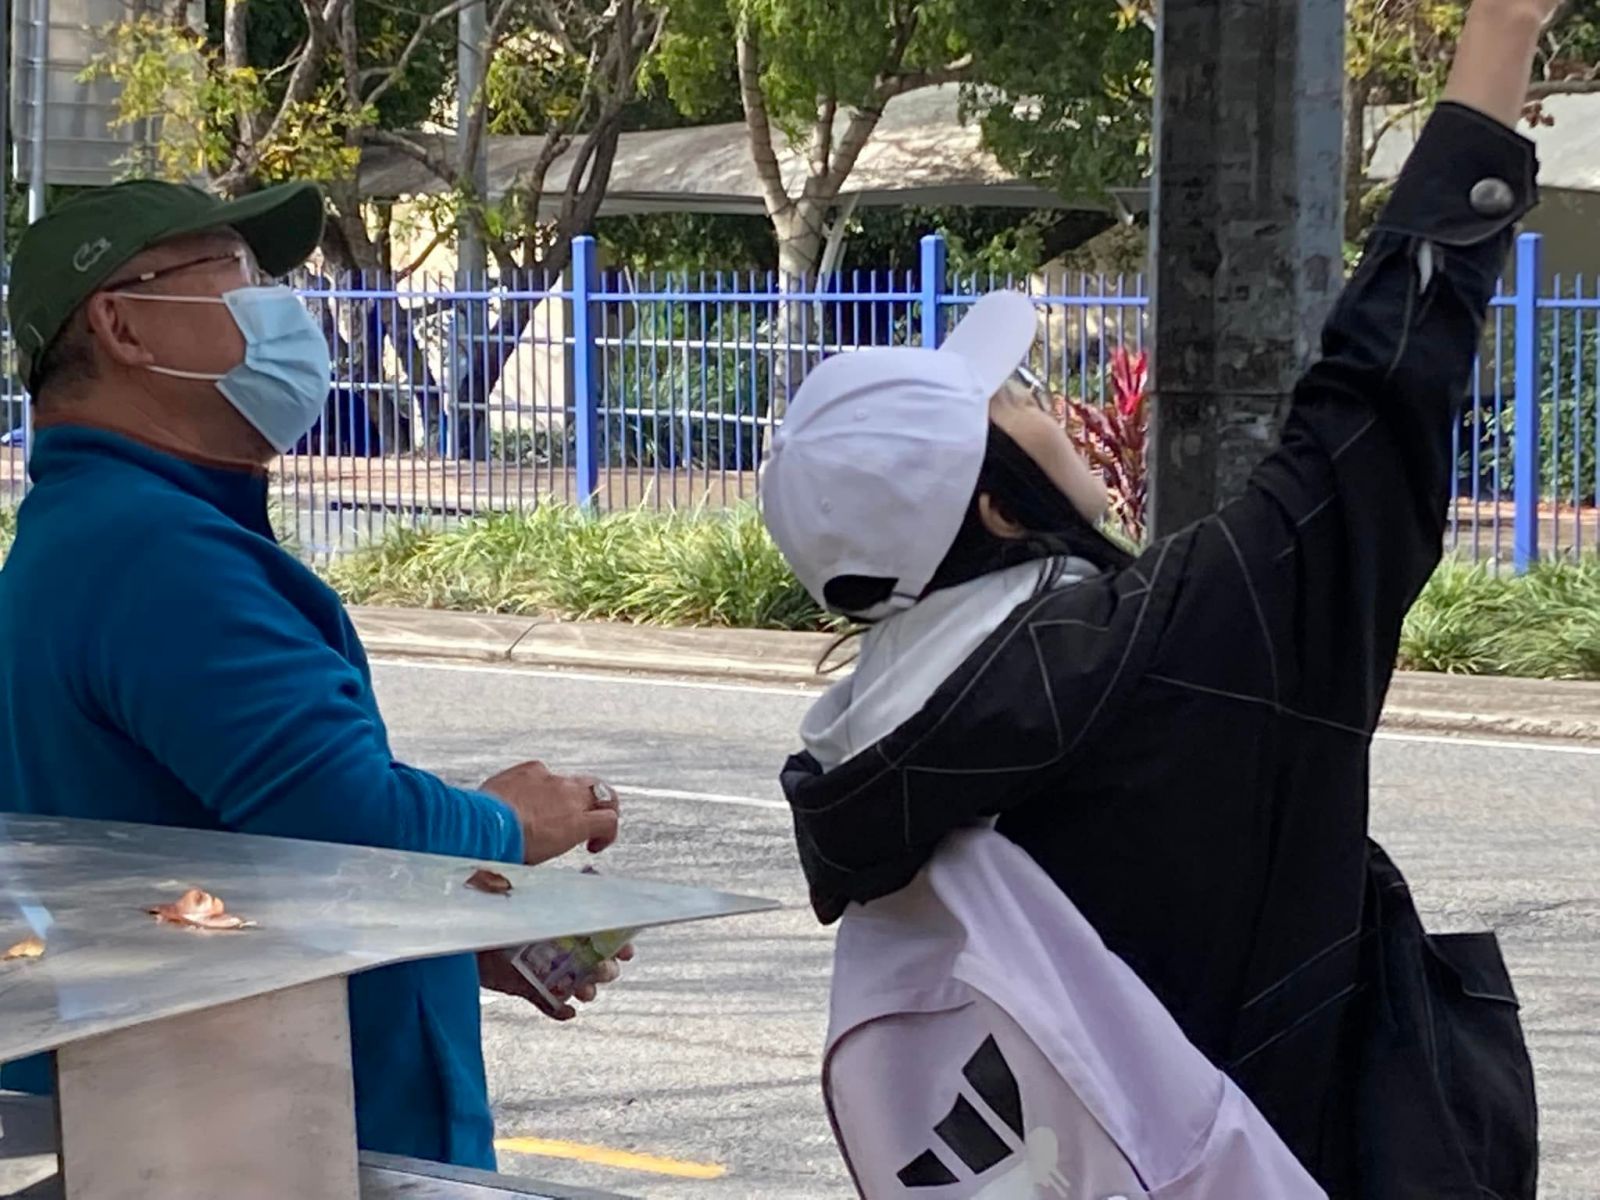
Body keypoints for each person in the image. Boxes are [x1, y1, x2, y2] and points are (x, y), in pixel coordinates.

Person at [761, 0, 1549, 1194]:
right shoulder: (1157, 659)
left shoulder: (877, 752)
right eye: (1016, 402)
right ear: (998, 508)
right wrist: (1497, 41)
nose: (1050, 408)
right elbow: (1368, 415)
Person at [0, 180, 624, 1170]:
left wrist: (445, 922)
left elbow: (207, 865)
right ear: (121, 324)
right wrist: (509, 824)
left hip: (214, 1119)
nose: (278, 305)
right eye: (235, 271)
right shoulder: (157, 554)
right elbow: (351, 822)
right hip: (277, 1146)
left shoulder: (98, 536)